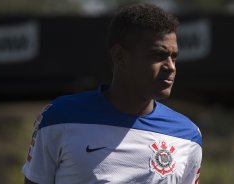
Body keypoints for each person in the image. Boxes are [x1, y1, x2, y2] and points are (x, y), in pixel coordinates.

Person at [22, 3, 202, 184]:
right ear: (120, 56)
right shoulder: (59, 117)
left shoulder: (187, 135)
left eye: (174, 57)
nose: (170, 67)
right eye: (158, 55)